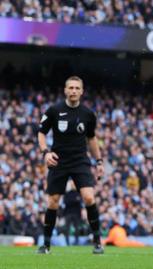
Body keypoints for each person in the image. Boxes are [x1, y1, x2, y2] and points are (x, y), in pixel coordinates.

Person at [37, 76, 104, 254]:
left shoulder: (88, 114)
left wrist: (98, 161)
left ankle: (97, 241)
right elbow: (41, 133)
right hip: (58, 160)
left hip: (80, 160)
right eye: (70, 88)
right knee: (53, 202)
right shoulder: (54, 110)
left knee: (89, 197)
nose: (73, 91)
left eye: (77, 88)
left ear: (82, 91)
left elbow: (91, 138)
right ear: (65, 90)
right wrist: (46, 152)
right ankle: (46, 244)